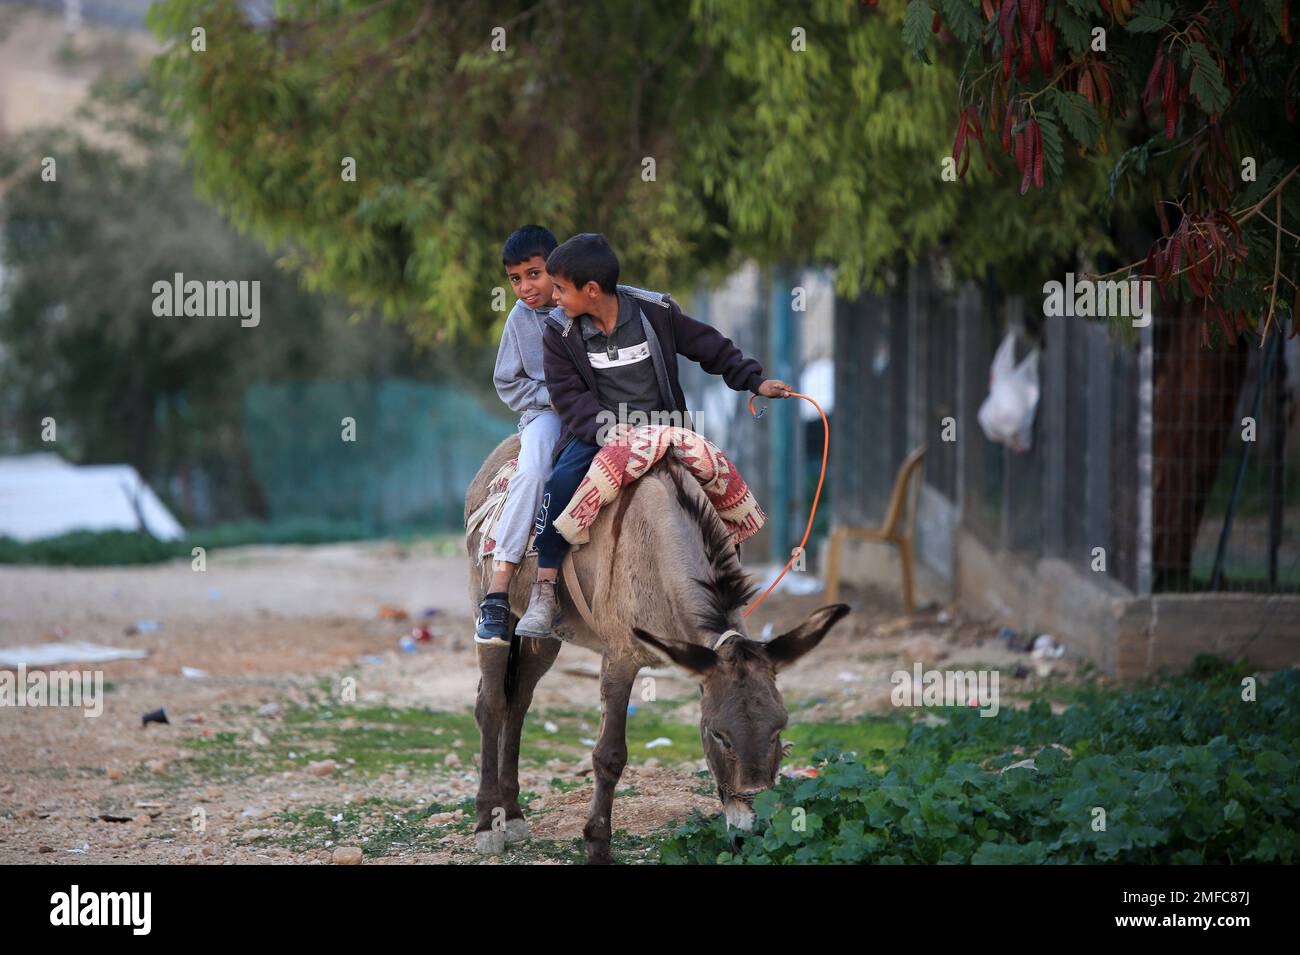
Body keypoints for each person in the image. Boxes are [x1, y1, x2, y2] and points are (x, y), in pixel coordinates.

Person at [514, 232, 791, 638]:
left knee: (713, 481)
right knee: (561, 482)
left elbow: (708, 346)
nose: (554, 298)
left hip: (665, 429)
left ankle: (724, 581)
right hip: (599, 433)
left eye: (560, 288)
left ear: (591, 290)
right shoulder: (559, 332)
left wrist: (754, 380)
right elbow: (567, 396)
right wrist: (605, 429)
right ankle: (545, 588)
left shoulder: (654, 311)